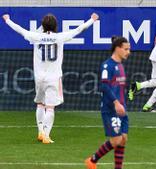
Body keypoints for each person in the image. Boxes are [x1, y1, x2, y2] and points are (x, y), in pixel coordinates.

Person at [2, 13, 99, 143]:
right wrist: (92, 20)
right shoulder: (60, 37)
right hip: (53, 77)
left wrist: (8, 20)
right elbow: (79, 29)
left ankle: (40, 131)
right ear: (55, 26)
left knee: (40, 104)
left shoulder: (36, 36)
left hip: (39, 77)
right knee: (50, 107)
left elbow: (19, 29)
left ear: (42, 26)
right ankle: (46, 135)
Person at [85, 36, 130, 169]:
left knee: (123, 139)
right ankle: (92, 161)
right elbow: (104, 86)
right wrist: (116, 103)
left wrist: (122, 104)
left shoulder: (120, 65)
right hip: (110, 109)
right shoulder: (107, 65)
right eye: (126, 49)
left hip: (121, 108)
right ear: (117, 49)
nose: (128, 52)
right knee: (116, 140)